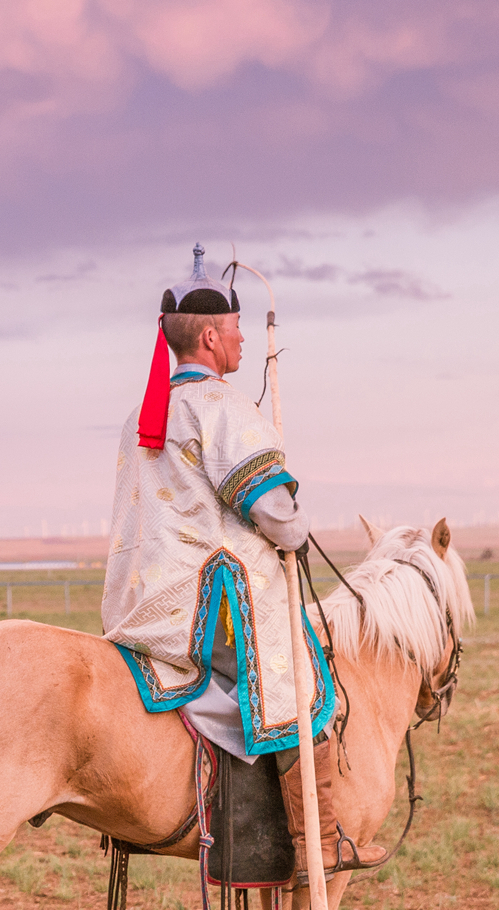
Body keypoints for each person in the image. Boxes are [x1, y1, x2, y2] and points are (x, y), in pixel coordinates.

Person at [101, 245, 383, 876]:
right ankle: (321, 839)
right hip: (201, 607)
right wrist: (298, 523)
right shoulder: (222, 407)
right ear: (208, 336)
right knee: (303, 678)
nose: (243, 342)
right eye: (235, 330)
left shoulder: (140, 415)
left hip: (139, 603)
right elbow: (275, 512)